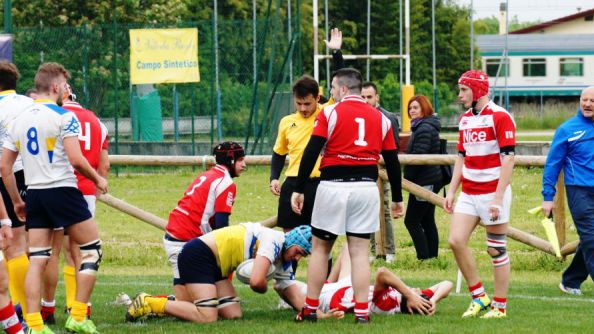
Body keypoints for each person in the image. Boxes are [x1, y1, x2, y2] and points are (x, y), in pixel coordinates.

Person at [1, 62, 107, 334]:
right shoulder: (63, 116)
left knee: (37, 258)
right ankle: (79, 315)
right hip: (63, 190)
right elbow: (76, 159)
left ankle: (35, 325)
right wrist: (98, 179)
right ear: (56, 87)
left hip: (34, 194)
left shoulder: (19, 120)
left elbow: (4, 167)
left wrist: (16, 200)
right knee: (92, 249)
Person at [292, 67, 403, 324]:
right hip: (366, 187)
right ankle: (362, 313)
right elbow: (393, 161)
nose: (330, 93)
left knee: (321, 249)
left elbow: (311, 150)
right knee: (360, 252)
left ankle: (309, 309)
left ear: (342, 89)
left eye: (332, 88)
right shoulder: (381, 118)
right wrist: (397, 197)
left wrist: (298, 188)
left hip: (333, 185)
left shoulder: (330, 112)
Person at [125, 223, 312, 323]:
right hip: (198, 255)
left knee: (233, 315)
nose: (297, 259)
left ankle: (178, 303)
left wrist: (313, 313)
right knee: (207, 317)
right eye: (299, 252)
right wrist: (265, 285)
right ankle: (149, 302)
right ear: (292, 241)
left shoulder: (284, 259)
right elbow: (256, 282)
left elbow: (291, 294)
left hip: (216, 266)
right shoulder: (274, 240)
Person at [443, 70, 516, 319]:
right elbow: (461, 157)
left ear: (478, 90)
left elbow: (508, 159)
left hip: (492, 193)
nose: (459, 94)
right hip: (469, 192)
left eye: (464, 89)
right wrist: (452, 191)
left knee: (495, 249)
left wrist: (497, 197)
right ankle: (479, 297)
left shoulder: (500, 116)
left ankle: (500, 307)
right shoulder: (465, 119)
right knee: (455, 241)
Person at [41, 84, 110, 323]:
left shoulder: (53, 117)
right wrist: (98, 186)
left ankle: (46, 308)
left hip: (57, 186)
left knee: (51, 251)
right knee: (82, 252)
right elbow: (104, 166)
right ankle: (79, 307)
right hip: (87, 190)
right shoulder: (97, 122)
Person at [164, 141, 246, 301]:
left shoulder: (208, 174)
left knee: (211, 304)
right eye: (241, 160)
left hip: (178, 235)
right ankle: (149, 302)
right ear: (231, 160)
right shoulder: (226, 182)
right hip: (186, 241)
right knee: (188, 305)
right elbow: (222, 223)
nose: (244, 164)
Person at [541, 86, 594, 297]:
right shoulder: (567, 129)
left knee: (590, 241)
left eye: (593, 100)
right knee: (593, 240)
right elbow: (552, 165)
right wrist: (548, 197)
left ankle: (570, 280)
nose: (587, 104)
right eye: (584, 100)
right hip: (579, 191)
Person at [298, 243, 452, 317]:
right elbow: (447, 284)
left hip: (334, 297)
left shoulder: (387, 305)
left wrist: (410, 294)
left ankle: (324, 285)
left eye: (416, 293)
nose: (418, 289)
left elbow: (382, 273)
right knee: (348, 246)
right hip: (350, 287)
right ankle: (329, 281)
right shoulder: (407, 298)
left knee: (288, 290)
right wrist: (434, 300)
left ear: (411, 303)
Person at [0, 62, 31, 334]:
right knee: (32, 245)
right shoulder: (27, 103)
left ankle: (19, 306)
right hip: (32, 174)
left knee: (14, 247)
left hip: (6, 175)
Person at [270, 76, 322, 237]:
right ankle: (292, 263)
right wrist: (274, 177)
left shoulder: (327, 114)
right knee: (289, 232)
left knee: (319, 234)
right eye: (298, 103)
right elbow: (279, 152)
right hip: (292, 182)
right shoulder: (287, 122)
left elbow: (342, 86)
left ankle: (321, 261)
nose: (303, 108)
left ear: (318, 98)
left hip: (318, 183)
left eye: (307, 103)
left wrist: (336, 53)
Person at [360, 81, 402, 263]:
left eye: (369, 97)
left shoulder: (388, 118)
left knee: (384, 209)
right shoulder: (357, 115)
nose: (366, 100)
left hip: (382, 170)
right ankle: (370, 250)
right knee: (364, 211)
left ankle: (389, 251)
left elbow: (394, 149)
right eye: (362, 97)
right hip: (364, 171)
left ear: (377, 97)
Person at [404, 95, 443, 260]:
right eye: (410, 108)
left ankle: (424, 257)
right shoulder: (423, 126)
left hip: (424, 181)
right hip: (430, 179)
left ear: (424, 109)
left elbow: (418, 157)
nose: (412, 111)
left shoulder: (424, 128)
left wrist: (406, 178)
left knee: (411, 221)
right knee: (427, 220)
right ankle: (432, 257)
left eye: (416, 108)